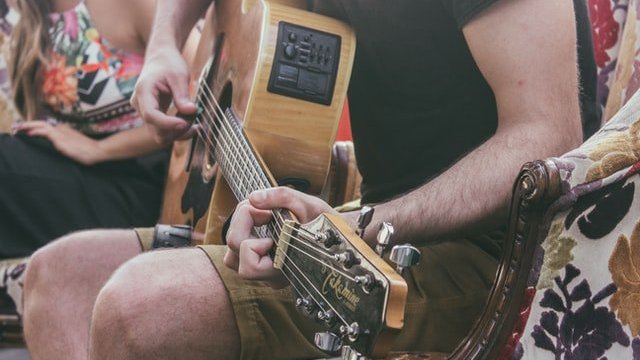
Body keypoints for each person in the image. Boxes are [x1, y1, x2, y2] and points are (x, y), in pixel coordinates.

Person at [22, 0, 599, 359]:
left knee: (141, 308)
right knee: (58, 280)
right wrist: (164, 50)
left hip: (499, 257)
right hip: (361, 231)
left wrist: (362, 225)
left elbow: (547, 135)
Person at [0, 0, 174, 259]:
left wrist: (100, 149)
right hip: (79, 167)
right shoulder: (22, 10)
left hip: (149, 179)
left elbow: (200, 96)